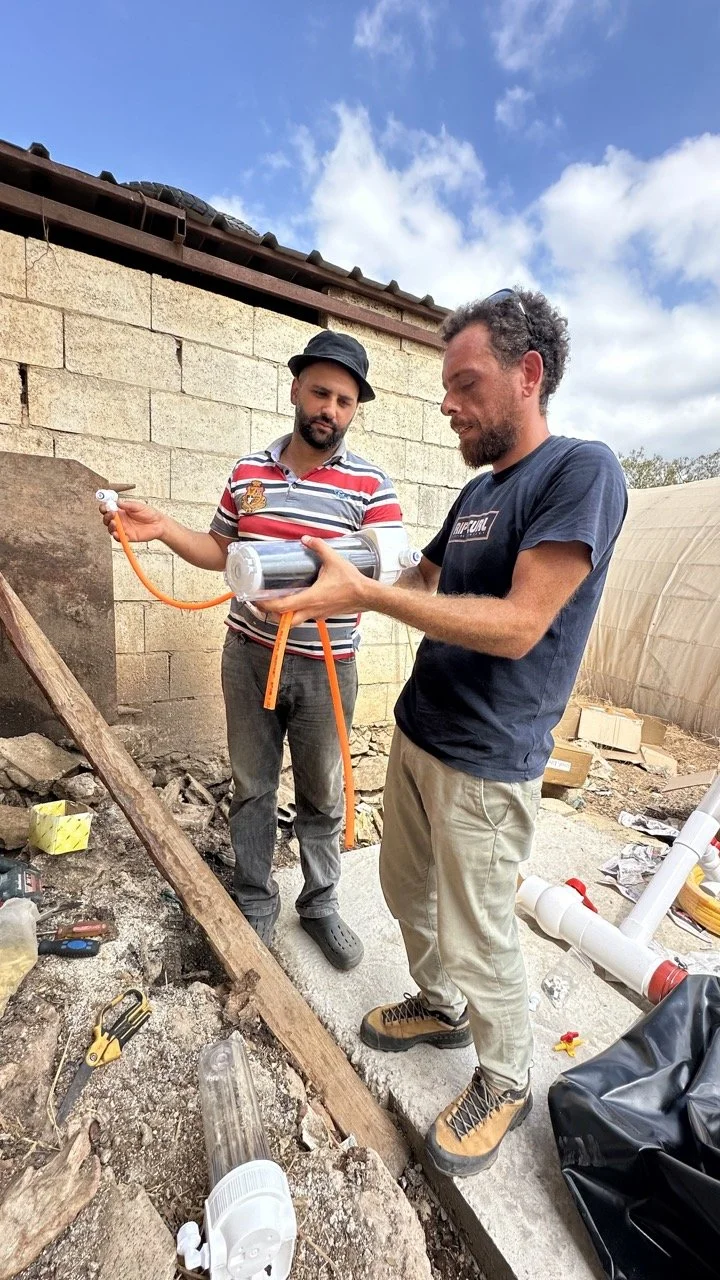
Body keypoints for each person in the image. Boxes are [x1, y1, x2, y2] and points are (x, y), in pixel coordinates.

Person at [262, 288, 628, 1176]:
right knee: (404, 892)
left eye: (465, 383)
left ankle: (505, 1076)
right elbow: (421, 581)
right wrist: (338, 577)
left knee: (480, 931)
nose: (447, 402)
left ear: (528, 374)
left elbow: (518, 624)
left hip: (488, 761)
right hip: (423, 735)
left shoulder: (581, 472)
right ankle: (440, 1005)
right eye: (446, 385)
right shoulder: (476, 492)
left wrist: (365, 594)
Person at [101, 331, 403, 970]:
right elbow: (220, 551)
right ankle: (254, 904)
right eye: (320, 392)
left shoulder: (371, 485)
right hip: (249, 656)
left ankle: (320, 905)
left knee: (323, 793)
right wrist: (160, 531)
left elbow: (385, 573)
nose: (330, 409)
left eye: (345, 401)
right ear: (296, 389)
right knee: (253, 786)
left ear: (354, 409)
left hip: (328, 666)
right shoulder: (248, 473)